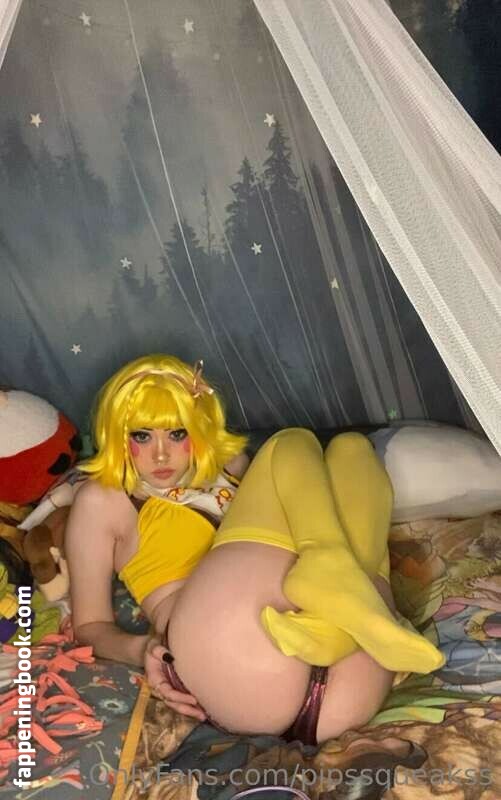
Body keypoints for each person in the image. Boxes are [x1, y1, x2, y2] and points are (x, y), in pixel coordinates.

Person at [65, 354, 444, 745]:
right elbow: (89, 626)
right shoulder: (104, 500)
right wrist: (142, 649)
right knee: (290, 442)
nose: (160, 454)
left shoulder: (232, 466)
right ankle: (334, 572)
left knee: (353, 450)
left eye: (177, 434)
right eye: (141, 436)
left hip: (344, 691)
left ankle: (340, 615)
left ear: (200, 426)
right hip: (234, 661)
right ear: (117, 435)